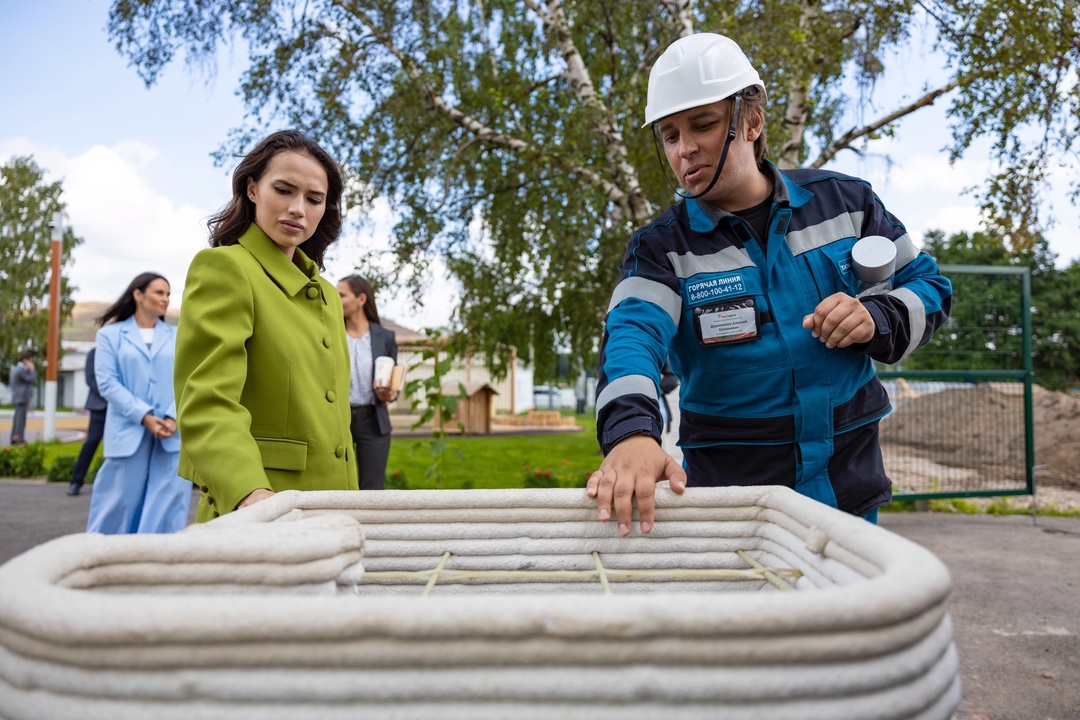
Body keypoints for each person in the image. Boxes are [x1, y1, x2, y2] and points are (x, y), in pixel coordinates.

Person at [587, 33, 952, 536]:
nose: (685, 148)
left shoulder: (847, 203)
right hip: (735, 508)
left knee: (848, 615)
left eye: (704, 125)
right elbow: (631, 339)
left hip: (849, 489)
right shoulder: (661, 248)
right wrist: (631, 435)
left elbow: (930, 286)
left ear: (752, 121)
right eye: (669, 135)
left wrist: (878, 316)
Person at [174, 129, 357, 522]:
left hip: (335, 512)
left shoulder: (326, 293)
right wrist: (250, 494)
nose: (298, 209)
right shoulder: (225, 269)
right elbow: (208, 401)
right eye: (284, 190)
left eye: (314, 199)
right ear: (252, 189)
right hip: (260, 512)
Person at [86, 273, 191, 534]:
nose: (166, 299)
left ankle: (157, 565)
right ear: (138, 294)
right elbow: (107, 382)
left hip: (172, 431)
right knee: (118, 502)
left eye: (168, 294)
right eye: (159, 292)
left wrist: (172, 415)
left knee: (167, 503)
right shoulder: (110, 335)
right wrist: (144, 416)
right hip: (128, 429)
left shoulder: (179, 335)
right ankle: (104, 560)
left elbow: (188, 379)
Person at [337, 275, 399, 490]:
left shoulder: (386, 337)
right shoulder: (331, 334)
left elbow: (393, 384)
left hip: (373, 420)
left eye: (341, 295)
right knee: (335, 487)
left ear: (361, 299)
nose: (336, 300)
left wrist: (388, 394)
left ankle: (368, 526)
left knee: (371, 490)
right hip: (337, 419)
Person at [67, 347, 107, 496]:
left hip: (120, 408)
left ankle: (111, 484)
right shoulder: (94, 353)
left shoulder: (123, 350)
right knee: (91, 442)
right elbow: (90, 379)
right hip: (99, 406)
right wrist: (110, 393)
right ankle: (76, 481)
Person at [8, 352, 36, 444]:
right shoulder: (20, 370)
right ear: (25, 360)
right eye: (31, 361)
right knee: (20, 420)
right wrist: (32, 370)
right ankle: (19, 439)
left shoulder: (18, 369)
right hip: (21, 398)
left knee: (17, 419)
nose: (32, 363)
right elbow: (30, 379)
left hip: (19, 398)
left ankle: (15, 438)